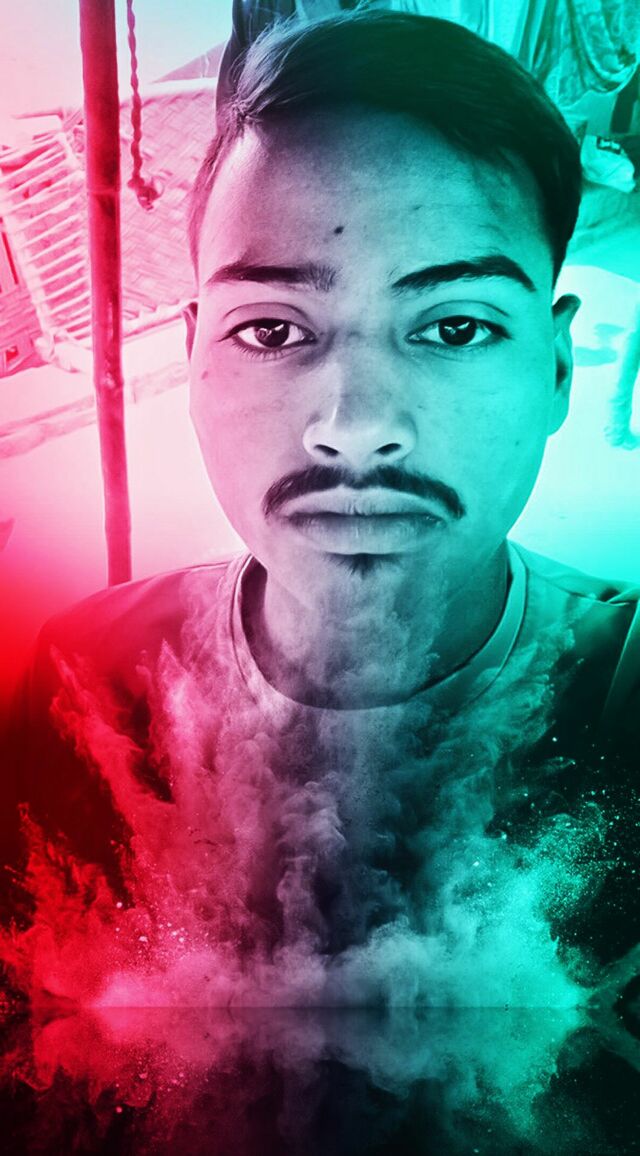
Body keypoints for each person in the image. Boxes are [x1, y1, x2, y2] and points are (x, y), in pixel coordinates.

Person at [3, 10, 640, 1011]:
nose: (355, 429)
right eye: (271, 330)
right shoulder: (83, 688)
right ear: (195, 358)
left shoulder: (624, 694)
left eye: (455, 326)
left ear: (557, 369)